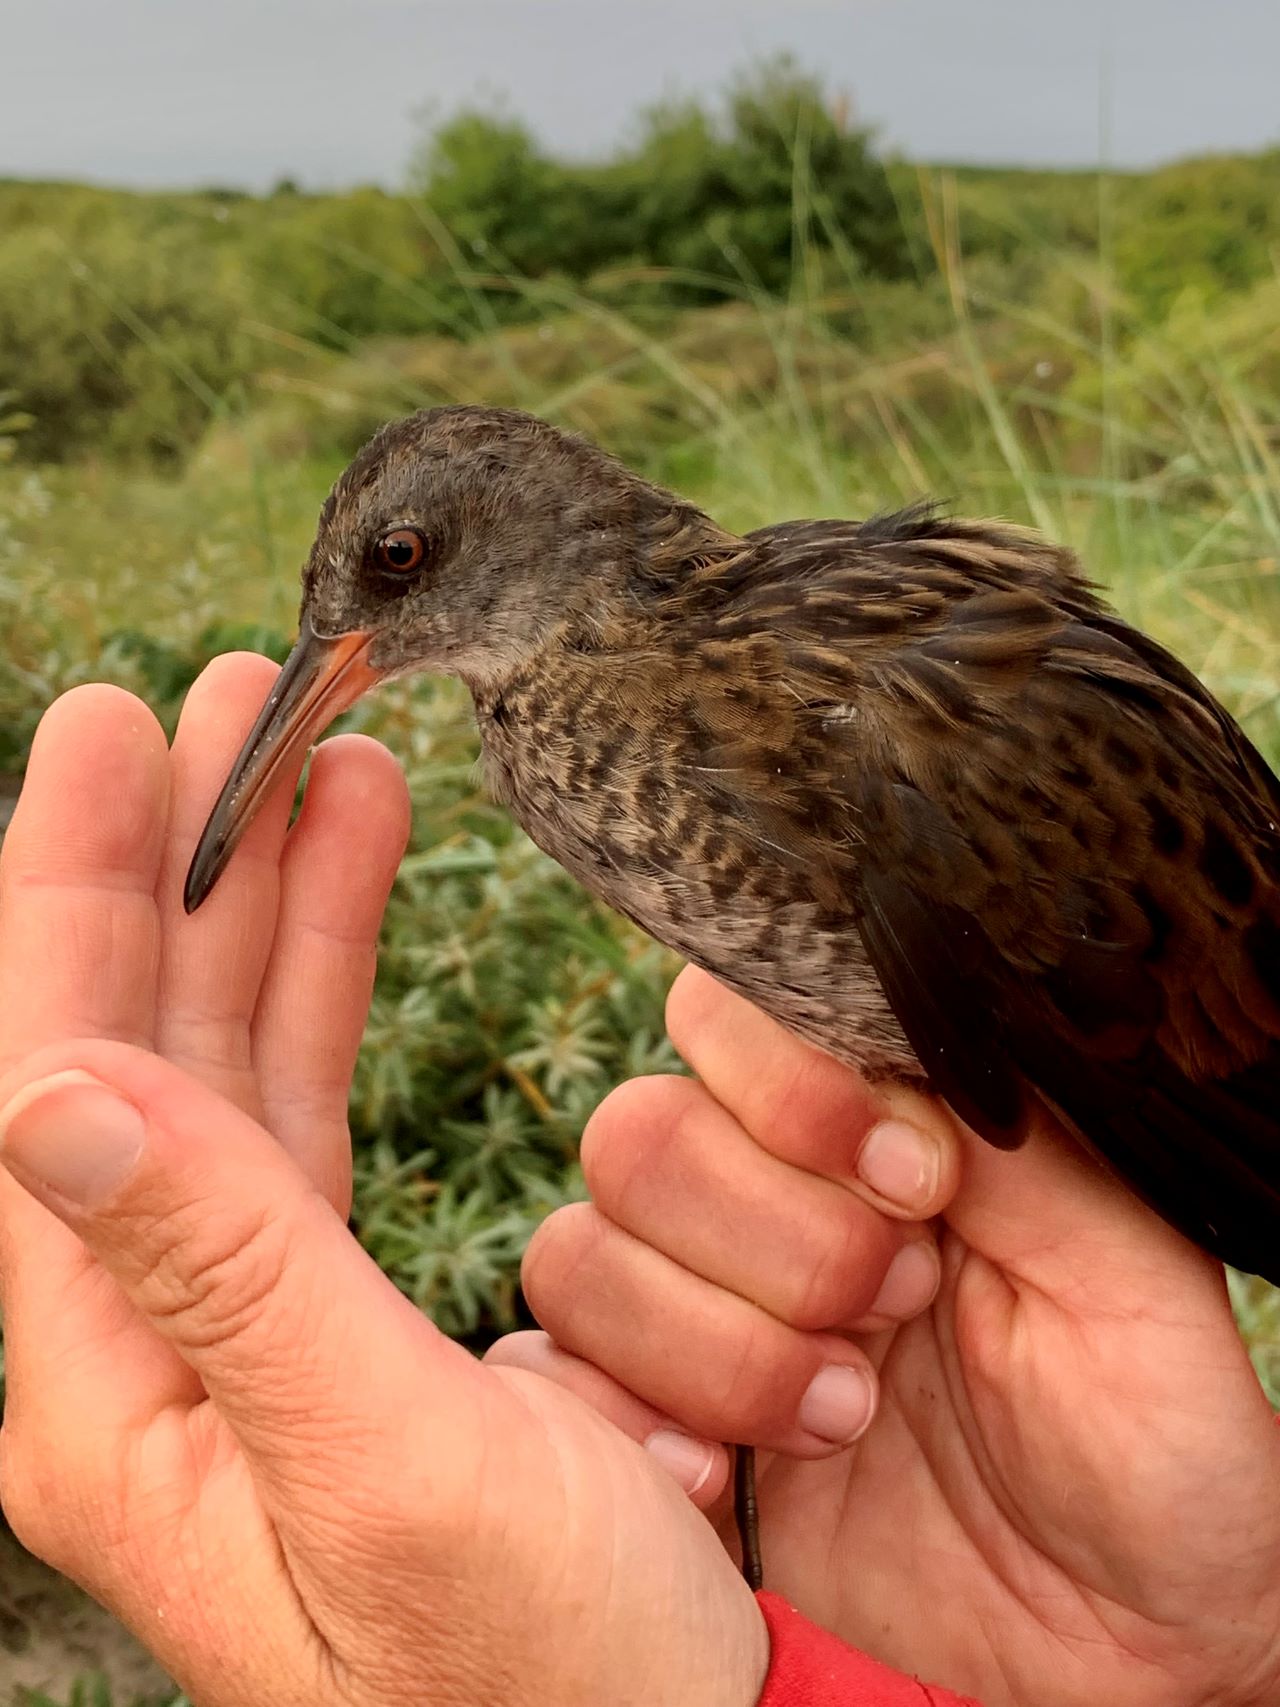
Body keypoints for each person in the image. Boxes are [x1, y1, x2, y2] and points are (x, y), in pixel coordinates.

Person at [0, 656, 1277, 1707]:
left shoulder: (892, 734)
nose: (328, 659)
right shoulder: (680, 725)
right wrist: (1193, 1664)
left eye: (397, 569)